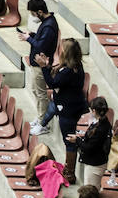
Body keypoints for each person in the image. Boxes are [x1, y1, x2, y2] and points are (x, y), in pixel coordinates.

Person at [35, 38, 88, 175]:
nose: (60, 51)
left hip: (68, 110)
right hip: (72, 106)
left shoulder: (68, 72)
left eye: (63, 49)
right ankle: (68, 170)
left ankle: (69, 172)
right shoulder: (77, 66)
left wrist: (43, 67)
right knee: (69, 139)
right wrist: (48, 66)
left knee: (69, 141)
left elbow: (52, 84)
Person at [20, 0, 60, 120]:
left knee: (41, 93)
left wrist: (28, 39)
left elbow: (41, 46)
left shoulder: (49, 26)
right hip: (36, 63)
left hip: (41, 65)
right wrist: (32, 35)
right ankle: (40, 117)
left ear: (40, 12)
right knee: (35, 90)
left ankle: (43, 121)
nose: (32, 17)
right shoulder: (47, 22)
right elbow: (42, 39)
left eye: (33, 14)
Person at [66, 96, 113, 189]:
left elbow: (88, 148)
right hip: (94, 163)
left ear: (94, 111)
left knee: (90, 193)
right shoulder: (102, 123)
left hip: (95, 165)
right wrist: (79, 138)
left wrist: (77, 140)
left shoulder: (101, 128)